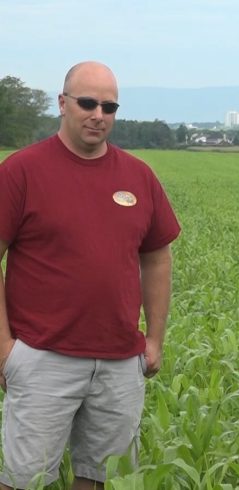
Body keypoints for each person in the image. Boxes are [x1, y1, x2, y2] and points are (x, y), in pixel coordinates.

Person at [0, 61, 181, 489]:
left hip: (120, 362)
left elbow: (157, 257)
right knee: (23, 480)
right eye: (87, 103)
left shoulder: (138, 176)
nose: (98, 115)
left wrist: (154, 338)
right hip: (43, 355)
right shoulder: (21, 171)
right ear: (62, 104)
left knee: (104, 481)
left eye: (109, 106)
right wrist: (5, 345)